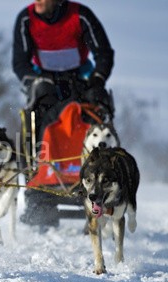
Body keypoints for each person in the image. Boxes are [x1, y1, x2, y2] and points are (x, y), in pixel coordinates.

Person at [12, 0, 114, 226]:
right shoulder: (26, 19)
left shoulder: (81, 15)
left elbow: (103, 52)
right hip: (45, 81)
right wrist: (34, 80)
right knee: (37, 116)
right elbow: (20, 62)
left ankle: (95, 177)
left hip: (81, 81)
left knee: (93, 115)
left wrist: (97, 80)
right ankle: (41, 176)